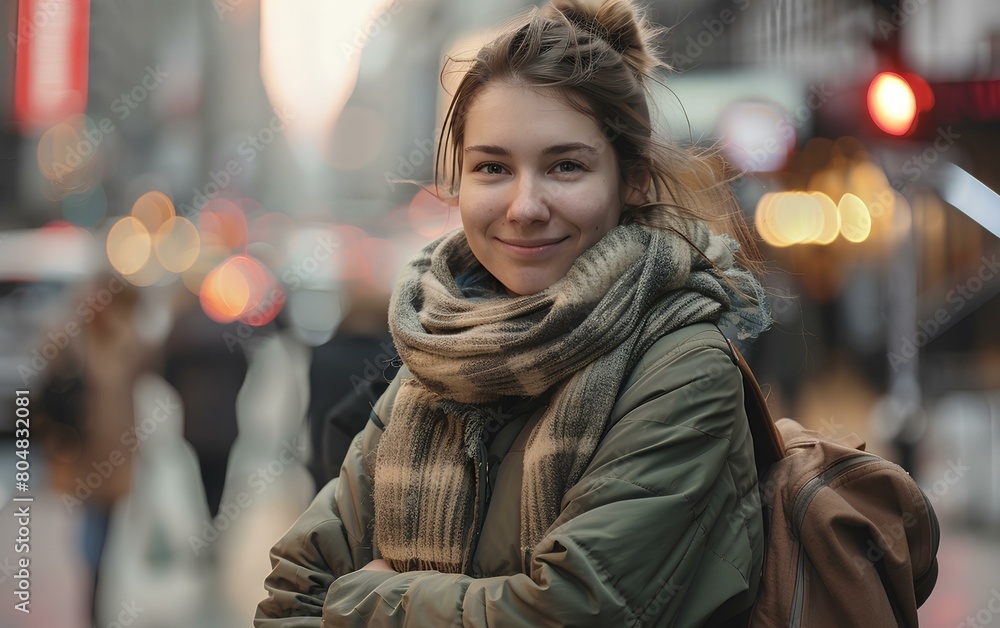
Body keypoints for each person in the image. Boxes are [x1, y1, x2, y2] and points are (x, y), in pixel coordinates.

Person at [255, 0, 771, 625]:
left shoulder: (682, 368)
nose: (525, 205)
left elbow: (572, 611)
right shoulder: (439, 355)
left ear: (630, 180)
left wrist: (370, 601)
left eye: (565, 166)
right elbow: (289, 593)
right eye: (493, 167)